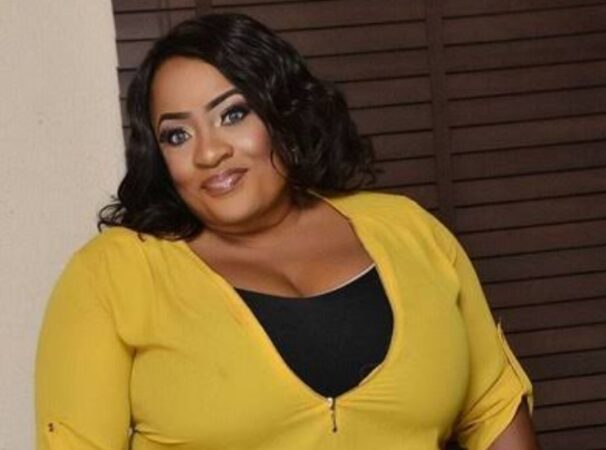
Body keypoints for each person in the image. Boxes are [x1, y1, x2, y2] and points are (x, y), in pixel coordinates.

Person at [35, 13, 538, 450]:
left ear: (283, 113)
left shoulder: (410, 231)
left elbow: (493, 409)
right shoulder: (113, 274)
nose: (208, 152)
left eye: (233, 114)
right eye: (177, 134)